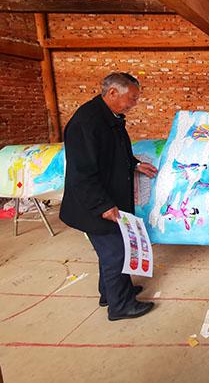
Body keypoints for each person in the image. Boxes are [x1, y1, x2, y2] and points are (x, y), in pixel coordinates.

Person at [60, 72, 158, 321]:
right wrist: (103, 205)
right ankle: (120, 306)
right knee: (117, 252)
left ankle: (110, 293)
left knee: (113, 250)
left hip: (109, 197)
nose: (134, 103)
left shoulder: (110, 117)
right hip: (93, 204)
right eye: (132, 98)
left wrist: (135, 165)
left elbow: (117, 152)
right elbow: (81, 173)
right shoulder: (87, 123)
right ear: (113, 92)